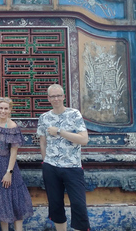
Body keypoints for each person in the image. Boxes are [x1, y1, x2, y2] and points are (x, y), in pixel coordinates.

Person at [37, 84, 90, 231]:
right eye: (52, 96)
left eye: (58, 95)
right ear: (48, 98)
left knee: (79, 204)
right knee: (55, 205)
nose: (56, 99)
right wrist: (45, 162)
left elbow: (84, 139)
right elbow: (43, 143)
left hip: (72, 166)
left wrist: (59, 131)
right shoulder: (44, 118)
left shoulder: (74, 114)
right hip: (51, 167)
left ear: (63, 97)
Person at [0, 97, 33, 231]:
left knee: (15, 199)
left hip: (7, 166)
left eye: (6, 108)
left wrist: (9, 172)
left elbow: (14, 152)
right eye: (1, 108)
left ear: (10, 110)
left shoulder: (12, 127)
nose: (3, 111)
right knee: (0, 201)